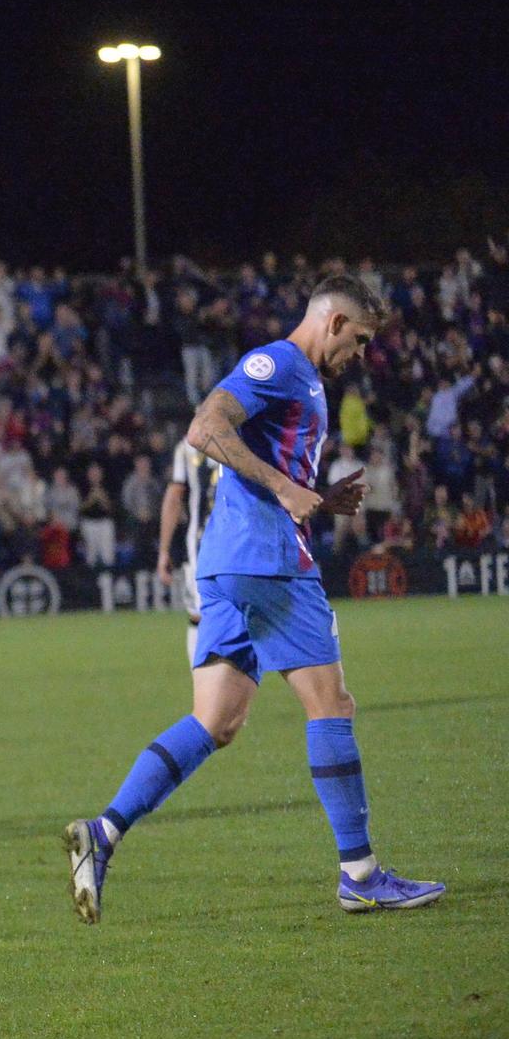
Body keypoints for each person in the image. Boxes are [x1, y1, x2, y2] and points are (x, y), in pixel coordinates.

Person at [67, 275, 444, 921]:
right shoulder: (279, 363)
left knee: (216, 722)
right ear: (330, 323)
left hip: (226, 565)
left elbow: (274, 475)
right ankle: (360, 873)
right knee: (332, 702)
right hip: (268, 564)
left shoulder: (304, 380)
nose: (361, 354)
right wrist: (284, 487)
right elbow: (204, 426)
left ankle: (102, 832)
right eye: (358, 339)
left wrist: (317, 498)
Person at [156, 440, 218, 662]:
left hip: (202, 545)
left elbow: (174, 496)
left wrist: (164, 551)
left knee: (199, 617)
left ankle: (205, 689)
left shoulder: (189, 444)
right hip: (242, 542)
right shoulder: (247, 433)